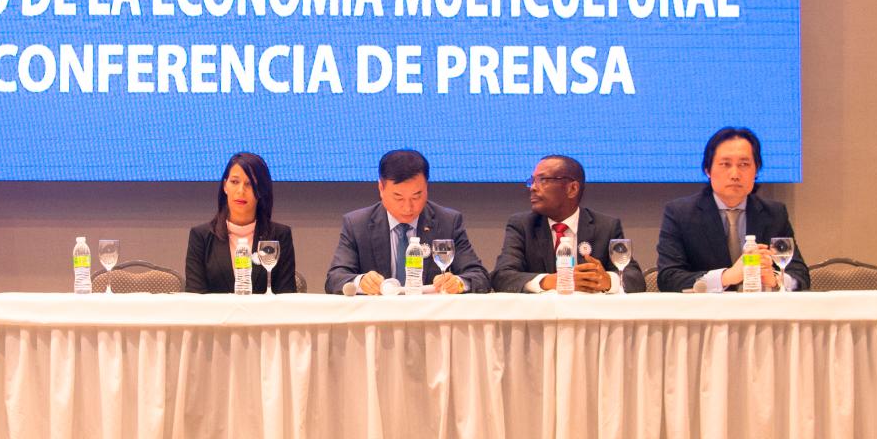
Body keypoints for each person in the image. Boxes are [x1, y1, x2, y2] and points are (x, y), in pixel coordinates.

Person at [654, 125, 810, 292]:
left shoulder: (774, 214)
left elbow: (801, 276)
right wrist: (727, 276)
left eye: (744, 164)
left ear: (756, 169)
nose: (735, 174)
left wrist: (776, 280)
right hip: (704, 313)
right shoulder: (680, 213)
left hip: (761, 312)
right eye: (725, 164)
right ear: (708, 169)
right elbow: (668, 278)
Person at [324, 149, 491, 295]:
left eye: (417, 196)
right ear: (381, 188)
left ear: (427, 187)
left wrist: (459, 283)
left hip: (430, 319)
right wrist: (361, 282)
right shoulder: (357, 224)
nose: (408, 207)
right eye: (398, 197)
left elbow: (479, 276)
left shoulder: (447, 222)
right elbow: (335, 278)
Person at [492, 155, 646, 293]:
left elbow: (635, 279)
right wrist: (550, 281)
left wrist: (607, 280)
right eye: (532, 181)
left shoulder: (606, 226)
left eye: (543, 180)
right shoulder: (523, 225)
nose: (533, 188)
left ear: (572, 189)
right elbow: (502, 276)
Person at [184, 151, 300, 293]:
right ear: (225, 186)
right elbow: (195, 296)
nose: (241, 190)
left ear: (261, 190)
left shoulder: (279, 236)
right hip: (216, 315)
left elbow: (285, 296)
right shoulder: (201, 236)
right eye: (234, 182)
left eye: (250, 184)